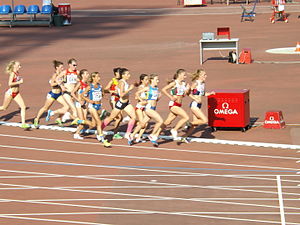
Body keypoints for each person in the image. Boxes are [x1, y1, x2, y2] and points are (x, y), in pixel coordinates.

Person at [101, 68, 136, 145]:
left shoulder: (125, 82)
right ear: (123, 75)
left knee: (133, 117)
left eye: (129, 74)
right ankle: (100, 129)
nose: (129, 75)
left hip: (126, 103)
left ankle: (128, 134)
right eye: (127, 74)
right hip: (120, 103)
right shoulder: (121, 82)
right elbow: (121, 95)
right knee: (111, 118)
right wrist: (129, 89)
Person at [33, 60, 69, 128]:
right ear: (57, 67)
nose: (62, 68)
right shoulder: (55, 75)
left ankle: (58, 119)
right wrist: (58, 82)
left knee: (67, 106)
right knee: (45, 108)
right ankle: (36, 119)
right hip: (53, 94)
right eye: (61, 67)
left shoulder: (62, 74)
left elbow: (64, 82)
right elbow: (52, 84)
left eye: (62, 67)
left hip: (59, 94)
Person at [182, 69, 215, 142]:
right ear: (200, 76)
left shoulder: (202, 84)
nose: (206, 76)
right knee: (205, 120)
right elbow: (188, 93)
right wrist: (195, 99)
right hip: (194, 105)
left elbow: (203, 94)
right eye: (204, 75)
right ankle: (188, 124)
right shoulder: (195, 83)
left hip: (199, 105)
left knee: (195, 126)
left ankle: (184, 137)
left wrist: (211, 93)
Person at [131, 74, 163, 147]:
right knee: (160, 121)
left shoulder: (156, 88)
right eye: (156, 79)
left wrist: (159, 97)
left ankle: (132, 135)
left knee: (143, 123)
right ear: (152, 80)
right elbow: (137, 93)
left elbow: (155, 100)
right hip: (148, 108)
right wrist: (141, 100)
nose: (158, 81)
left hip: (153, 108)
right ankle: (152, 135)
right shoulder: (148, 88)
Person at [81, 72, 111, 148]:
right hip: (92, 106)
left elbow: (102, 93)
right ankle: (102, 139)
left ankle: (80, 121)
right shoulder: (90, 87)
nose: (99, 78)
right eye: (97, 77)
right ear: (93, 78)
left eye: (99, 77)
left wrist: (105, 97)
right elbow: (82, 95)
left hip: (98, 106)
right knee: (99, 122)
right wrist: (89, 100)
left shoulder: (100, 86)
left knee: (93, 124)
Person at [161, 69, 190, 140]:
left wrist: (187, 90)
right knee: (186, 117)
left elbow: (183, 95)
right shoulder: (174, 83)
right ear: (179, 75)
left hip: (179, 104)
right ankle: (174, 130)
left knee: (168, 122)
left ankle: (155, 134)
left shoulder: (183, 84)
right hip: (173, 104)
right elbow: (163, 89)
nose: (185, 77)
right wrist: (170, 97)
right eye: (184, 75)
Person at [0, 61, 30, 129]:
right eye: (19, 65)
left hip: (17, 93)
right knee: (4, 108)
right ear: (14, 66)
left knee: (23, 107)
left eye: (20, 65)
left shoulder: (17, 73)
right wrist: (19, 82)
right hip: (10, 93)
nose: (20, 67)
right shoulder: (12, 74)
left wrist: (19, 82)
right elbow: (9, 84)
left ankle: (23, 124)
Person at [57, 58, 79, 123]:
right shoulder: (65, 72)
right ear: (69, 65)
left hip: (73, 93)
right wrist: (61, 86)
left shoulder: (77, 72)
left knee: (68, 108)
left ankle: (58, 117)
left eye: (76, 65)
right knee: (74, 109)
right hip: (66, 93)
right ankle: (76, 122)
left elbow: (81, 80)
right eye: (74, 65)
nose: (75, 67)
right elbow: (57, 79)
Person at [104, 67, 123, 140]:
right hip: (114, 100)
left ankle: (107, 114)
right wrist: (112, 91)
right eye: (119, 72)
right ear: (116, 73)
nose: (120, 74)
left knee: (119, 118)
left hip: (120, 100)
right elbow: (105, 90)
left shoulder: (122, 81)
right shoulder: (113, 80)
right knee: (119, 117)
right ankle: (115, 133)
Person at [71, 69, 90, 139]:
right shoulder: (80, 83)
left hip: (84, 104)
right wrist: (78, 100)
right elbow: (72, 93)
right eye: (86, 74)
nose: (87, 75)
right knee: (82, 121)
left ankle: (77, 123)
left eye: (88, 74)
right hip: (79, 104)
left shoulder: (87, 84)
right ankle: (76, 134)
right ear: (82, 75)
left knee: (84, 120)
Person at [133, 74, 149, 143]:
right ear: (142, 80)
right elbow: (136, 96)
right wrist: (142, 100)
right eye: (145, 79)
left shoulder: (147, 87)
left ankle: (138, 137)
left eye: (148, 79)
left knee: (145, 123)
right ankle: (132, 135)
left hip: (144, 107)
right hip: (139, 107)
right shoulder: (141, 87)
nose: (147, 81)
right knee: (142, 123)